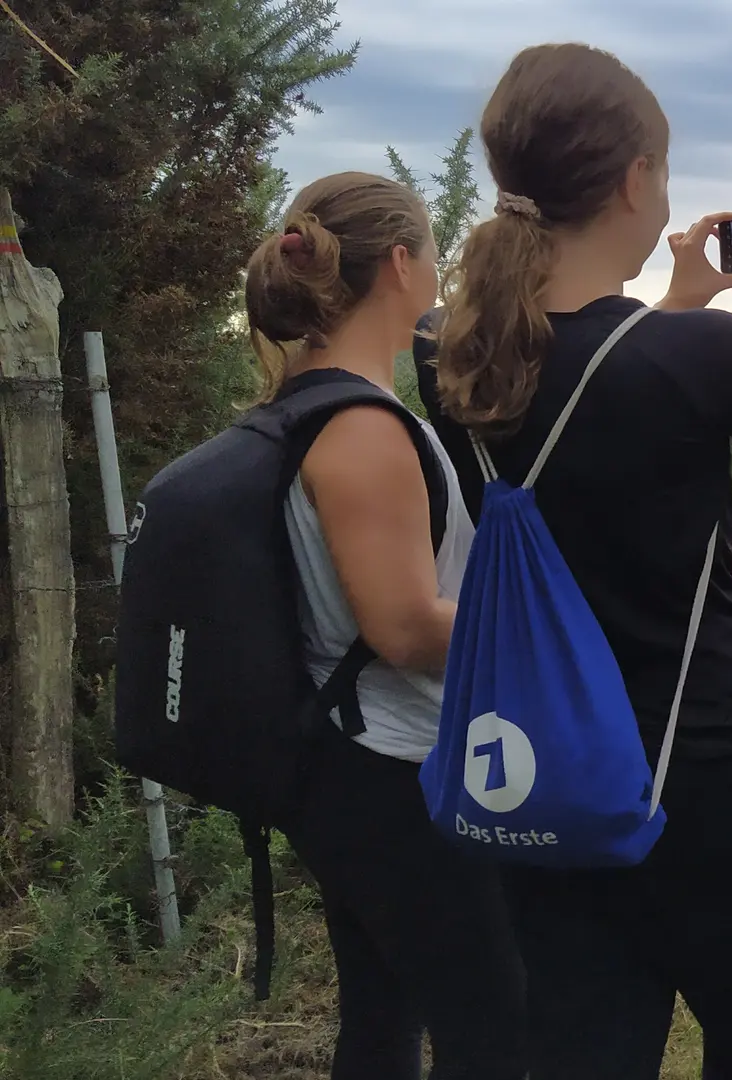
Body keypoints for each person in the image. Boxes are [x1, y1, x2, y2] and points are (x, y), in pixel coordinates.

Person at [412, 42, 732, 1080]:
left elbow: (593, 396)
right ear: (635, 180)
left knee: (586, 1048)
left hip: (547, 773)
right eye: (659, 170)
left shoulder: (452, 353)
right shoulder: (700, 357)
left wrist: (676, 301)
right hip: (710, 766)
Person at [244, 171, 527, 1080]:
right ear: (400, 265)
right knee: (494, 1030)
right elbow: (404, 628)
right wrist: (537, 631)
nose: (440, 274)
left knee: (381, 1016)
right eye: (433, 255)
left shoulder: (313, 401)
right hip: (392, 773)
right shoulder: (364, 427)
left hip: (351, 758)